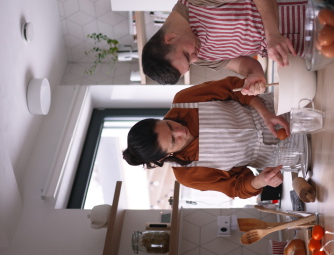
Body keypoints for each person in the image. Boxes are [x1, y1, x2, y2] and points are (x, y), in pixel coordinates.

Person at [142, 0, 319, 94]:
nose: (195, 58)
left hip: (313, 0)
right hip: (314, 46)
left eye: (187, 56)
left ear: (171, 38)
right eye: (190, 64)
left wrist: (272, 34)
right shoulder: (200, 57)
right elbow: (244, 65)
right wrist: (254, 75)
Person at [122, 76, 290, 199]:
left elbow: (235, 87)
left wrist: (266, 114)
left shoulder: (185, 100)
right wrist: (261, 180)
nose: (180, 131)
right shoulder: (188, 175)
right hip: (290, 154)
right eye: (174, 141)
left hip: (283, 107)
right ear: (165, 155)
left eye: (169, 125)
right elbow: (236, 186)